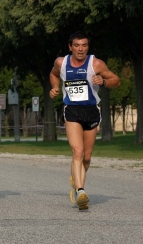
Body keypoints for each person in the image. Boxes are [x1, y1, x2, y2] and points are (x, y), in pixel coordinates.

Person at [49, 31, 120, 210]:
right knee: (78, 152)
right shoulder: (61, 62)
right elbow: (53, 74)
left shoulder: (96, 63)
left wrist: (103, 82)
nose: (81, 49)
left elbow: (116, 80)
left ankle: (77, 179)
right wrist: (55, 87)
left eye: (84, 46)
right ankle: (81, 191)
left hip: (91, 111)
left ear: (88, 47)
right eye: (77, 45)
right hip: (71, 110)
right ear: (70, 47)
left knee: (86, 158)